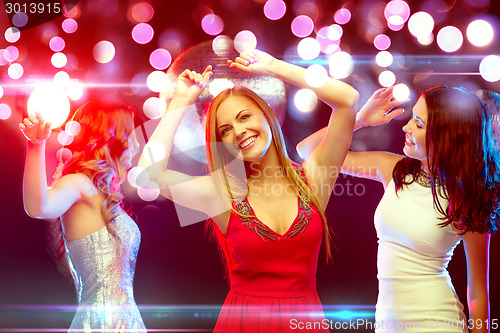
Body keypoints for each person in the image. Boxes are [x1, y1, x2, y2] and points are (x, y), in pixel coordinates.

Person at [138, 49, 359, 332]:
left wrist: (274, 66)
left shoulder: (314, 178)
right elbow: (148, 173)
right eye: (225, 131)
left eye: (244, 117)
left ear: (267, 115)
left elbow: (348, 100)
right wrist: (181, 100)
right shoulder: (220, 193)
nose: (238, 132)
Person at [297, 86, 500, 333]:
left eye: (419, 124)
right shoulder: (394, 169)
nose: (406, 128)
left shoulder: (468, 197)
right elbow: (308, 151)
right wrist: (359, 120)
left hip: (438, 323)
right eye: (412, 118)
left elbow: (478, 293)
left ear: (446, 136)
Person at [19, 100, 146, 332]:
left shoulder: (104, 193)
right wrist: (36, 146)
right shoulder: (80, 183)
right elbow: (38, 207)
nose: (136, 144)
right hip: (100, 326)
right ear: (112, 137)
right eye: (130, 133)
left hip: (127, 324)